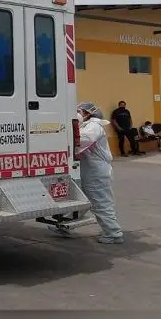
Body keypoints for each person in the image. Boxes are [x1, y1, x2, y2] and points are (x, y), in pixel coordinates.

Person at [52, 102, 124, 244]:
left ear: (87, 113)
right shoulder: (87, 126)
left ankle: (113, 233)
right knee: (81, 200)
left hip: (96, 172)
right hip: (88, 171)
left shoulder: (94, 126)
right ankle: (64, 224)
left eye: (80, 111)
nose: (77, 114)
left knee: (100, 202)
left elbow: (83, 140)